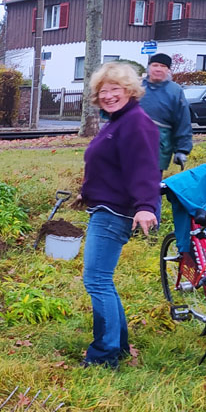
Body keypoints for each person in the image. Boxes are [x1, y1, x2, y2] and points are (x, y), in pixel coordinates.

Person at [78, 61, 160, 368]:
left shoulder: (135, 122)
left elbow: (145, 167)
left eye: (115, 89)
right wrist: (87, 192)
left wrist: (145, 206)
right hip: (105, 206)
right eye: (103, 90)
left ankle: (104, 354)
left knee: (96, 281)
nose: (108, 95)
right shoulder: (118, 122)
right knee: (102, 280)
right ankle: (119, 345)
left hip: (115, 213)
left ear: (130, 91)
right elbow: (113, 166)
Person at [139, 53, 192, 173]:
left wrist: (182, 150)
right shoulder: (136, 87)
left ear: (168, 70)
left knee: (150, 185)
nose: (158, 69)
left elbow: (183, 122)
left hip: (160, 146)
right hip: (132, 144)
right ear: (148, 68)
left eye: (162, 66)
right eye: (155, 65)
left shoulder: (175, 91)